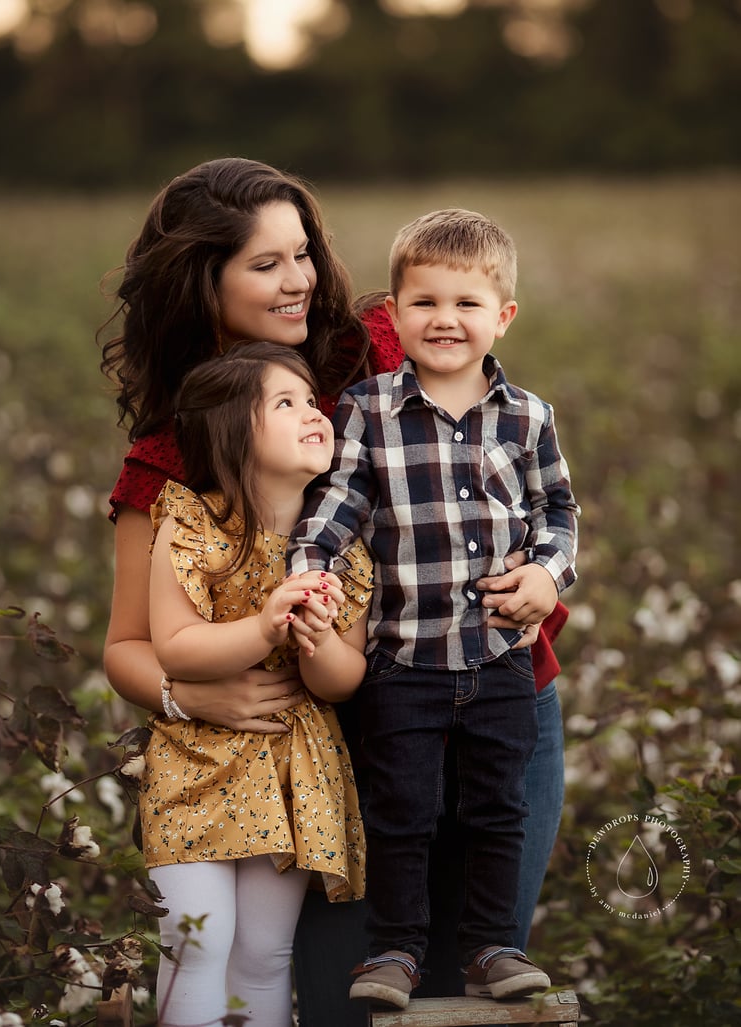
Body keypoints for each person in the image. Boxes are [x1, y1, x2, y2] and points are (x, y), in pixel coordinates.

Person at [98, 157, 569, 1026]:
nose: (300, 279)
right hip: (339, 748)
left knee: (484, 975)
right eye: (265, 263)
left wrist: (544, 571)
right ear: (203, 282)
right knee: (352, 995)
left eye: (303, 252)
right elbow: (127, 642)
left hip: (503, 696)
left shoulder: (375, 348)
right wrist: (189, 688)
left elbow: (506, 476)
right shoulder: (173, 454)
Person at [288, 208, 580, 1010]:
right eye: (423, 303)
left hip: (497, 658)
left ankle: (491, 945)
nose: (444, 319)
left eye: (466, 303)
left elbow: (558, 511)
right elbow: (339, 504)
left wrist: (550, 575)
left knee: (496, 806)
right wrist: (308, 568)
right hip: (404, 662)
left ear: (503, 316)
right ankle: (396, 950)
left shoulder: (527, 417)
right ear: (393, 312)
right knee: (401, 811)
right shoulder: (368, 409)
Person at [141, 344, 370, 1025]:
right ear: (235, 432)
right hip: (197, 762)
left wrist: (319, 642)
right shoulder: (194, 523)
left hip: (292, 765)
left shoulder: (341, 550)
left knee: (265, 951)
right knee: (196, 938)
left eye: (312, 400)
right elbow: (176, 647)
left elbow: (344, 679)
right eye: (286, 402)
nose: (314, 414)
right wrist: (265, 627)